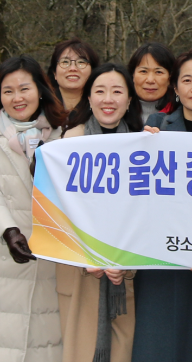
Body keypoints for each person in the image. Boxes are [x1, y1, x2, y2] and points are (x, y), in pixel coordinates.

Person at [0, 56, 66, 362]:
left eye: (24, 88)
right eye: (8, 91)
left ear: (41, 89)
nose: (17, 98)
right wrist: (9, 230)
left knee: (39, 345)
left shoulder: (62, 133)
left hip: (46, 258)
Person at [133, 50, 192, 361]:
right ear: (176, 88)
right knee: (159, 344)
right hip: (163, 257)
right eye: (187, 80)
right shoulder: (155, 127)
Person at [59, 63, 141, 361]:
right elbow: (58, 212)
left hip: (124, 274)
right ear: (89, 98)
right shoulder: (69, 144)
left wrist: (124, 261)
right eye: (100, 91)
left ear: (130, 100)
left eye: (117, 91)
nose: (109, 99)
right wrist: (87, 254)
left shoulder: (142, 146)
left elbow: (147, 217)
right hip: (79, 271)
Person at [48, 38, 101, 112]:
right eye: (65, 62)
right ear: (54, 73)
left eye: (81, 62)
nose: (73, 68)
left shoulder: (101, 107)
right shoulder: (40, 107)